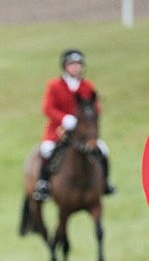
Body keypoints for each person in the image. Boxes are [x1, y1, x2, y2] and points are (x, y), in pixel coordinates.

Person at [32, 49, 115, 202]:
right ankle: (43, 184)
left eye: (78, 64)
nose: (76, 68)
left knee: (103, 149)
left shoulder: (87, 86)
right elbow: (48, 108)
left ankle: (106, 182)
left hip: (82, 134)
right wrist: (64, 118)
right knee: (47, 151)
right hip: (59, 131)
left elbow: (95, 108)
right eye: (72, 64)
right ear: (65, 66)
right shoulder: (54, 85)